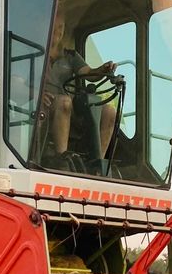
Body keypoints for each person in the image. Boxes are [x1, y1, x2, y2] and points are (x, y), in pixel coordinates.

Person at [40, 22, 117, 167]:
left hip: (67, 107)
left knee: (109, 111)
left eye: (61, 26)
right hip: (43, 105)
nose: (58, 30)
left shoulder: (70, 55)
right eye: (55, 24)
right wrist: (36, 95)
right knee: (65, 102)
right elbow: (18, 81)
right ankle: (62, 159)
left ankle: (98, 163)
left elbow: (88, 74)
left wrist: (102, 69)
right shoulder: (35, 51)